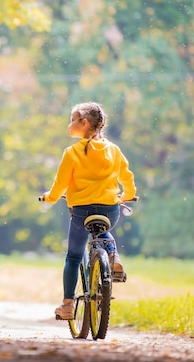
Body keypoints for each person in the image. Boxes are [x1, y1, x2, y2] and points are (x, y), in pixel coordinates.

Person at [41, 101, 137, 320]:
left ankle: (67, 306)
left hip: (81, 212)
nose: (70, 124)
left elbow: (60, 186)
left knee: (74, 256)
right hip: (110, 210)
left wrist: (50, 197)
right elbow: (127, 177)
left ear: (84, 123)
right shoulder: (113, 150)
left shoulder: (72, 152)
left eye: (73, 120)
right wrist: (129, 195)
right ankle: (112, 255)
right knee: (102, 229)